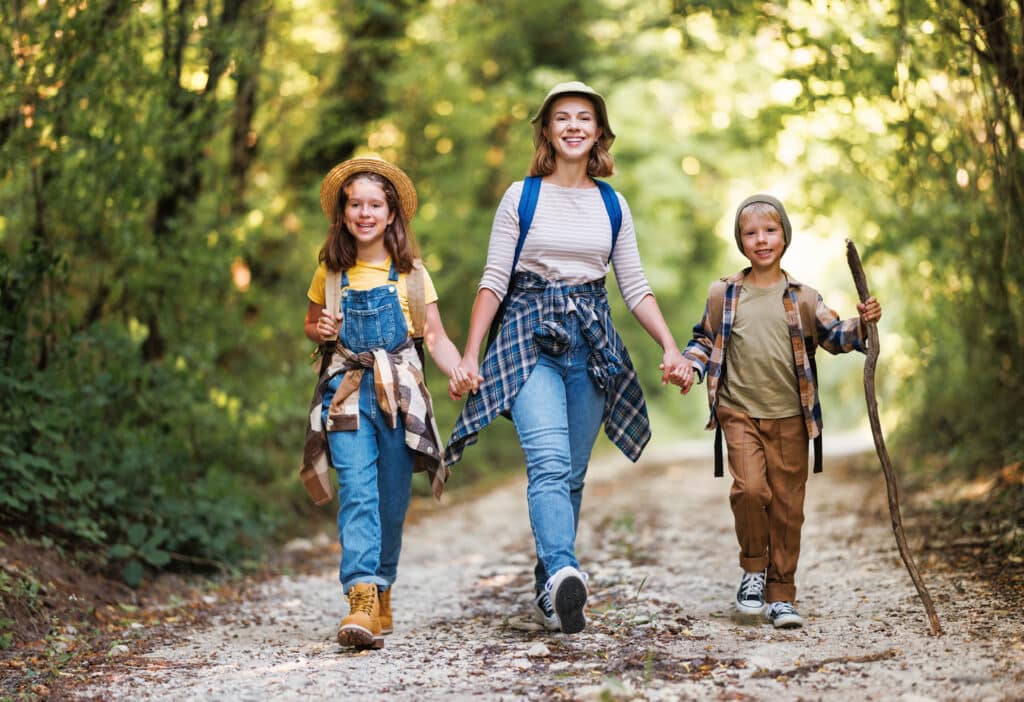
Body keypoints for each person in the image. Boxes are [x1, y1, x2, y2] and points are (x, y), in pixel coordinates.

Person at [444, 81, 686, 635]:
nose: (574, 126)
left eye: (584, 118)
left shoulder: (612, 203)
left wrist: (670, 346)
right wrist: (470, 353)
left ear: (599, 131)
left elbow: (636, 287)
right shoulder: (520, 196)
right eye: (562, 118)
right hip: (527, 340)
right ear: (548, 131)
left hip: (591, 342)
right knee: (548, 463)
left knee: (572, 475)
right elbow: (493, 280)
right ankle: (562, 569)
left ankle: (550, 586)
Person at [673, 194, 882, 628]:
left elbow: (836, 335)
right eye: (751, 233)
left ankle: (781, 593)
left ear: (784, 236)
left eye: (770, 231)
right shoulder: (723, 294)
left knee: (788, 507)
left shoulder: (804, 297)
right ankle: (753, 569)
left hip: (791, 415)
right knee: (749, 491)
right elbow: (702, 340)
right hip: (738, 410)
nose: (761, 240)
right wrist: (687, 366)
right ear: (740, 241)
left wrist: (864, 324)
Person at [304, 157, 472, 649]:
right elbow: (312, 323)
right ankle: (359, 597)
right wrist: (323, 328)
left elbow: (434, 336)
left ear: (392, 213)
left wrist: (458, 368)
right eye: (355, 204)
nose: (364, 212)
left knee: (392, 501)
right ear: (343, 213)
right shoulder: (331, 272)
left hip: (401, 398)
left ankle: (382, 585)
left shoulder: (413, 275)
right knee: (357, 491)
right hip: (348, 394)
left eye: (374, 204)